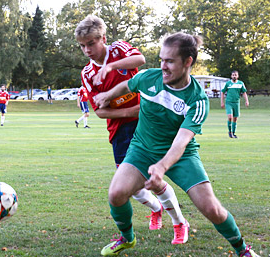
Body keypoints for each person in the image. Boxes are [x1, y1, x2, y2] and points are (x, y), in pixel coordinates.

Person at [94, 32, 263, 257]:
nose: (163, 66)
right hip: (142, 149)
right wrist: (107, 95)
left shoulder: (197, 99)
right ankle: (127, 238)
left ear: (188, 62)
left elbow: (181, 141)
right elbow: (127, 84)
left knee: (211, 208)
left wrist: (161, 167)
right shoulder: (148, 78)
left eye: (170, 61)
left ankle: (242, 248)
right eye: (161, 60)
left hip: (181, 157)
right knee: (116, 194)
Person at [75, 15, 188, 244]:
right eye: (82, 46)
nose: (87, 50)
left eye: (91, 44)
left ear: (103, 39)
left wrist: (111, 67)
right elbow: (100, 111)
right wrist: (130, 111)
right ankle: (156, 209)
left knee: (153, 178)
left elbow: (140, 58)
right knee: (131, 187)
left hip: (148, 123)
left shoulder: (118, 50)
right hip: (120, 131)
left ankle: (179, 222)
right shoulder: (87, 74)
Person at [221, 71, 249, 138]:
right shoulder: (228, 83)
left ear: (238, 76)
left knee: (235, 119)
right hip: (228, 102)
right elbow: (222, 92)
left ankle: (233, 133)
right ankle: (230, 132)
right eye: (233, 75)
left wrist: (247, 101)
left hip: (236, 103)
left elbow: (244, 93)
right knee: (230, 117)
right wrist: (222, 102)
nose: (234, 76)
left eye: (235, 75)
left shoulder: (240, 83)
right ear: (231, 76)